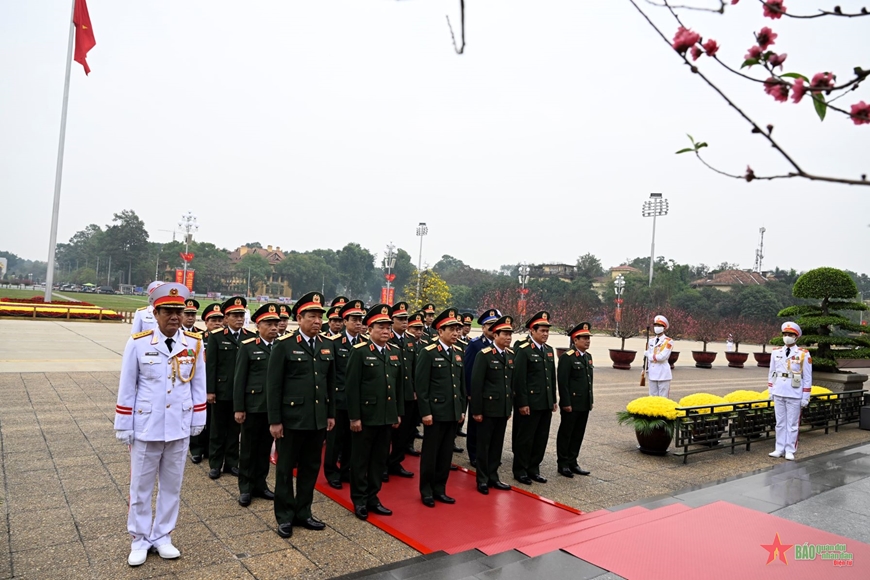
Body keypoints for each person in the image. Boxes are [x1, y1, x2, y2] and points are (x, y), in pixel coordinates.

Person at [114, 282, 206, 567]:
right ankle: (139, 539)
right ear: (155, 313)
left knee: (171, 486)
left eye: (179, 311)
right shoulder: (139, 342)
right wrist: (123, 423)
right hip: (146, 425)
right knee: (140, 487)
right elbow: (128, 385)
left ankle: (163, 536)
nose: (175, 317)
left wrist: (198, 418)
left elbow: (198, 384)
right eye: (168, 311)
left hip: (178, 425)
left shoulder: (193, 343)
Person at [266, 291, 336, 538]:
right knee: (285, 469)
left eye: (320, 317)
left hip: (317, 419)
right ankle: (285, 516)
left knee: (310, 468)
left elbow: (330, 383)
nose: (317, 321)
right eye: (312, 316)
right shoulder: (284, 346)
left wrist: (330, 414)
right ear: (300, 317)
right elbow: (273, 386)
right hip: (291, 420)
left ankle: (303, 512)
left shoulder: (328, 345)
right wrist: (275, 420)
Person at [346, 304, 403, 519]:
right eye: (381, 327)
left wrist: (397, 413)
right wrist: (355, 417)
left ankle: (373, 496)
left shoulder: (395, 352)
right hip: (366, 417)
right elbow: (352, 387)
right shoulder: (360, 352)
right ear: (369, 329)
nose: (386, 331)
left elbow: (397, 387)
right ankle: (359, 499)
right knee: (361, 460)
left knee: (379, 459)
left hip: (386, 416)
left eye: (388, 327)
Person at [416, 309, 466, 507]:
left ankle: (440, 488)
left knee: (446, 454)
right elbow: (421, 386)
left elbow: (460, 386)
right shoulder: (428, 353)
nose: (455, 333)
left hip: (452, 413)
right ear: (440, 331)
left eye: (457, 330)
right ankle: (426, 490)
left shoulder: (458, 353)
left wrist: (461, 409)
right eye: (451, 330)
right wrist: (426, 412)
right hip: (435, 413)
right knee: (431, 454)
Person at [234, 304, 280, 507]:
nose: (273, 328)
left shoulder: (281, 346)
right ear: (258, 325)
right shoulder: (248, 346)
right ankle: (245, 487)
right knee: (249, 449)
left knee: (264, 449)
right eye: (268, 324)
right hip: (253, 406)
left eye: (276, 324)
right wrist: (239, 407)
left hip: (272, 408)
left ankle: (260, 484)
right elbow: (239, 379)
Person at [205, 296, 254, 479]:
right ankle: (215, 463)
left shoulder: (250, 338)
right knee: (218, 429)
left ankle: (232, 462)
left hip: (240, 392)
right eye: (235, 315)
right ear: (226, 318)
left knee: (235, 430)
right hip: (221, 390)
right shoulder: (217, 337)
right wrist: (210, 390)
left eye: (241, 315)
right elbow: (211, 366)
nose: (239, 319)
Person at [323, 299, 366, 490]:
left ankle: (347, 470)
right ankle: (332, 472)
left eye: (360, 319)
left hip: (357, 400)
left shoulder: (365, 344)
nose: (358, 323)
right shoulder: (333, 343)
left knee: (352, 439)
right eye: (354, 319)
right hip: (338, 399)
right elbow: (329, 374)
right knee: (335, 440)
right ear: (345, 321)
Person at [469, 315, 515, 495]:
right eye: (505, 334)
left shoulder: (510, 355)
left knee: (497, 445)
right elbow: (477, 384)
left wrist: (508, 407)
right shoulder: (484, 355)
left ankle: (493, 476)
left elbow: (510, 384)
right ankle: (482, 479)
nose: (509, 337)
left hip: (502, 409)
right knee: (484, 445)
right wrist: (477, 411)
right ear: (495, 335)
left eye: (510, 334)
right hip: (487, 409)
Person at [511, 311, 557, 485]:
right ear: (532, 331)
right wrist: (522, 402)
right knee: (526, 438)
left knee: (541, 437)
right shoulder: (524, 350)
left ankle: (534, 468)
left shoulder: (549, 351)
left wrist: (553, 399)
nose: (545, 334)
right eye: (542, 331)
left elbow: (551, 378)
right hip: (530, 403)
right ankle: (520, 470)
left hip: (544, 402)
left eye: (547, 331)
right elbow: (519, 379)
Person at [768, 321, 812, 461]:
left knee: (792, 424)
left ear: (796, 337)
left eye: (790, 335)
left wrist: (805, 396)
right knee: (780, 423)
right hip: (779, 390)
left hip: (794, 392)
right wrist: (771, 390)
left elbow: (807, 377)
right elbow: (772, 373)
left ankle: (790, 449)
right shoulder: (776, 352)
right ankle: (779, 448)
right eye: (785, 334)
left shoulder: (803, 354)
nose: (787, 337)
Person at [463, 309, 501, 467]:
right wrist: (470, 393)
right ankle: (474, 454)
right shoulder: (475, 344)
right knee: (475, 425)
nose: (493, 328)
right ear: (483, 328)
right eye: (490, 325)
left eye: (495, 325)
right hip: (478, 393)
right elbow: (468, 369)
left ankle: (488, 455)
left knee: (490, 427)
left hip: (493, 395)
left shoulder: (499, 346)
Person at [556, 322, 594, 478]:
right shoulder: (567, 357)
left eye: (588, 338)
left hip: (583, 403)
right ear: (575, 339)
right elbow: (563, 382)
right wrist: (565, 403)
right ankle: (563, 463)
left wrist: (590, 400)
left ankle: (573, 461)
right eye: (584, 338)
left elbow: (589, 381)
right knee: (567, 433)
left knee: (578, 433)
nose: (587, 341)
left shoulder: (588, 357)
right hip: (571, 404)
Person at [189, 303, 224, 464]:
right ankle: (196, 450)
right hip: (199, 385)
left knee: (213, 421)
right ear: (206, 322)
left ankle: (211, 450)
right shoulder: (197, 339)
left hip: (217, 385)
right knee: (198, 418)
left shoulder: (224, 339)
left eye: (220, 320)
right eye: (213, 320)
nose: (217, 323)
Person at [387, 301, 418, 477]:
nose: (405, 322)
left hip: (407, 393)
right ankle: (382, 465)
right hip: (391, 394)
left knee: (403, 432)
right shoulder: (386, 338)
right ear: (392, 320)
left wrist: (414, 390)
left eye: (406, 319)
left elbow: (413, 368)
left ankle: (395, 462)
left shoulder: (410, 340)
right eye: (401, 319)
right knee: (387, 434)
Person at [645, 315, 673, 398]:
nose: (657, 327)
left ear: (664, 328)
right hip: (652, 372)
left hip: (663, 373)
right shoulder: (651, 341)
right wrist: (645, 368)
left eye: (660, 326)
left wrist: (649, 356)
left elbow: (662, 357)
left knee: (663, 398)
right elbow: (648, 358)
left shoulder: (668, 341)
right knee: (652, 397)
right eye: (656, 325)